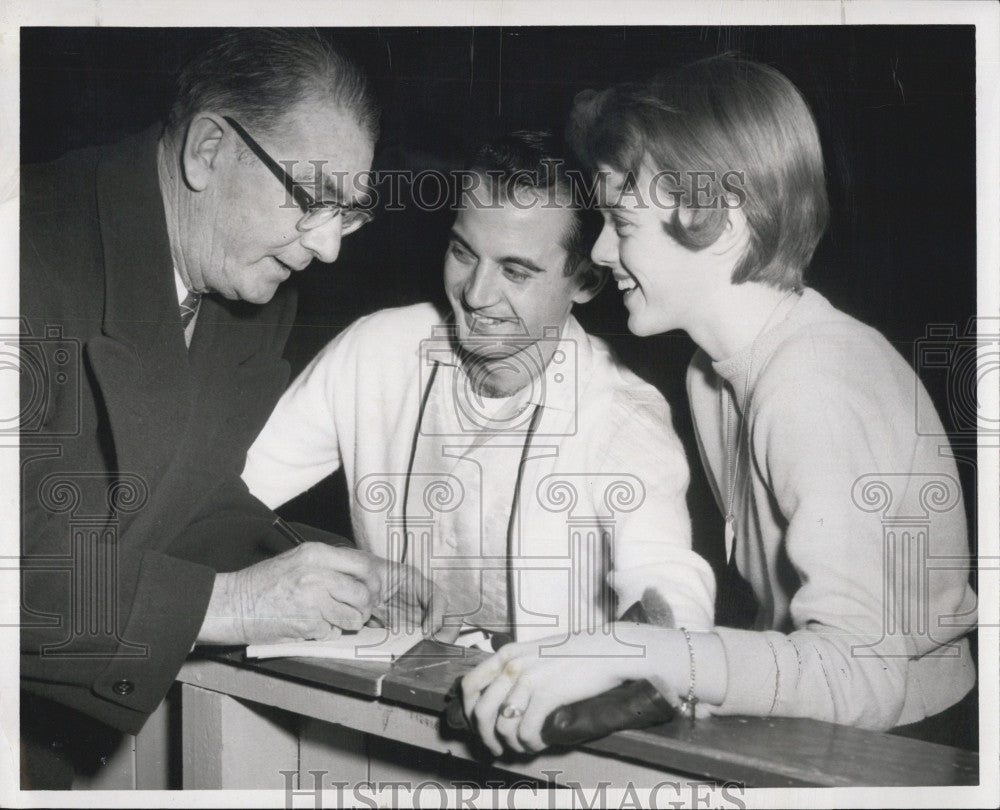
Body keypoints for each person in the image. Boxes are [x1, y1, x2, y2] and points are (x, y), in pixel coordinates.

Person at [459, 56, 977, 756]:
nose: (603, 250)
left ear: (721, 222)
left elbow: (867, 676)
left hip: (913, 744)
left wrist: (645, 653)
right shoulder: (712, 374)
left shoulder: (815, 380)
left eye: (622, 222)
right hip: (817, 719)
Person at [20, 30, 436, 789]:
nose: (329, 248)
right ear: (208, 149)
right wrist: (237, 603)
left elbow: (183, 500)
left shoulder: (242, 290)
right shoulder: (24, 247)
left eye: (348, 214)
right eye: (312, 200)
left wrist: (328, 574)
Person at [242, 132, 715, 653]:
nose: (476, 294)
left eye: (515, 271)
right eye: (463, 253)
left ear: (586, 281)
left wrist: (660, 647)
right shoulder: (375, 351)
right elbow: (232, 494)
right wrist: (339, 570)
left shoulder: (622, 415)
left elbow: (668, 582)